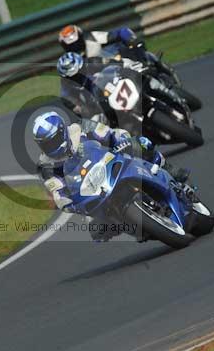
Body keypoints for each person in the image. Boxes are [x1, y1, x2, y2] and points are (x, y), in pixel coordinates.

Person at [33, 112, 189, 222]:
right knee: (97, 230)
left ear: (62, 132)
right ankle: (135, 226)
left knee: (140, 143)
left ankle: (170, 170)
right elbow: (57, 193)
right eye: (45, 144)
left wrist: (122, 140)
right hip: (89, 189)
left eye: (52, 140)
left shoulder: (80, 127)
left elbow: (110, 133)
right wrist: (68, 203)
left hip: (111, 161)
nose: (50, 146)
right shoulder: (45, 166)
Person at [56, 51, 187, 123]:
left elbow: (118, 62)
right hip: (101, 105)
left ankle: (168, 92)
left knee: (146, 79)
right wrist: (88, 113)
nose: (79, 75)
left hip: (118, 85)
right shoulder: (66, 91)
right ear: (66, 77)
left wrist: (133, 66)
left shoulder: (93, 62)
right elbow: (78, 110)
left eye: (80, 70)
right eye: (74, 76)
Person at [58, 24, 181, 85]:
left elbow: (120, 33)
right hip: (107, 80)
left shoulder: (92, 38)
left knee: (135, 48)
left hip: (120, 60)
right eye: (71, 46)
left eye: (77, 42)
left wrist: (132, 41)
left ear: (81, 36)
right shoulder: (72, 62)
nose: (76, 47)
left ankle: (160, 67)